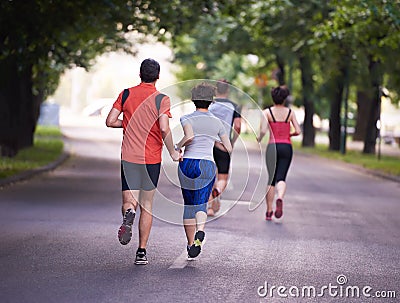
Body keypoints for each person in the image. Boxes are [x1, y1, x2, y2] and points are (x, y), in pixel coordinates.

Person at [105, 58, 180, 265]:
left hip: (129, 157)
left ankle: (129, 213)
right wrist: (173, 151)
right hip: (151, 159)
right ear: (157, 77)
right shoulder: (161, 99)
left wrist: (129, 123)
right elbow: (164, 128)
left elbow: (110, 121)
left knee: (129, 202)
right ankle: (141, 252)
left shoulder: (126, 93)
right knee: (147, 205)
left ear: (140, 74)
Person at [175, 83, 232, 258]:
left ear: (193, 100)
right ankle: (200, 230)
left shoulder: (186, 118)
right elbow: (228, 147)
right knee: (201, 203)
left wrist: (178, 145)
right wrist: (213, 139)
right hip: (207, 164)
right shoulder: (217, 122)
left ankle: (191, 244)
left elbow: (190, 138)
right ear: (211, 101)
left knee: (189, 205)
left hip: (188, 163)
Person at [257, 86, 301, 221]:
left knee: (271, 179)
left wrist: (259, 138)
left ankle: (269, 210)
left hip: (272, 146)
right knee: (281, 177)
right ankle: (280, 197)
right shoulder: (290, 113)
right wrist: (290, 134)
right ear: (284, 99)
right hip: (287, 146)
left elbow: (263, 130)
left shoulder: (267, 112)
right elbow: (298, 131)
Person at [207, 79, 241, 216]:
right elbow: (238, 126)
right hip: (223, 144)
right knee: (222, 178)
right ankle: (218, 192)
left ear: (216, 89)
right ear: (227, 90)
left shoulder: (209, 104)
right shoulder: (234, 106)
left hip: (208, 144)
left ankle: (210, 207)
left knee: (209, 177)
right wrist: (232, 142)